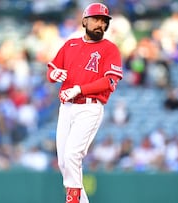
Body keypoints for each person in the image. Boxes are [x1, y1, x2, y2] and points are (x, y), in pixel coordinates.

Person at [46, 3, 123, 203]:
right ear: (84, 21)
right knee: (63, 162)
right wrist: (54, 74)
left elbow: (109, 80)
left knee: (72, 155)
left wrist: (80, 89)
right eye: (96, 19)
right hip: (67, 107)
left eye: (104, 21)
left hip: (90, 107)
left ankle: (71, 201)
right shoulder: (70, 44)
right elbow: (52, 70)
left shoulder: (110, 49)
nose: (100, 24)